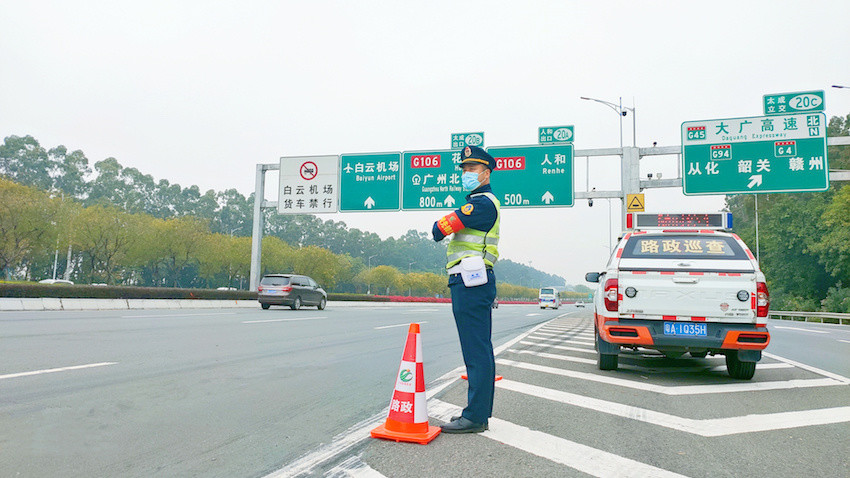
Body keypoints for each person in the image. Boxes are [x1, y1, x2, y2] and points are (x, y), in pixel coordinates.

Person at [431, 145, 500, 434]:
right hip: (471, 282)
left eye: (471, 169)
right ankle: (477, 414)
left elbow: (438, 230)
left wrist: (447, 220)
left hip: (471, 283)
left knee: (476, 351)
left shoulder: (481, 204)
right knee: (477, 349)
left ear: (486, 173)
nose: (465, 173)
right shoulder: (478, 203)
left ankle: (475, 417)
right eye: (463, 169)